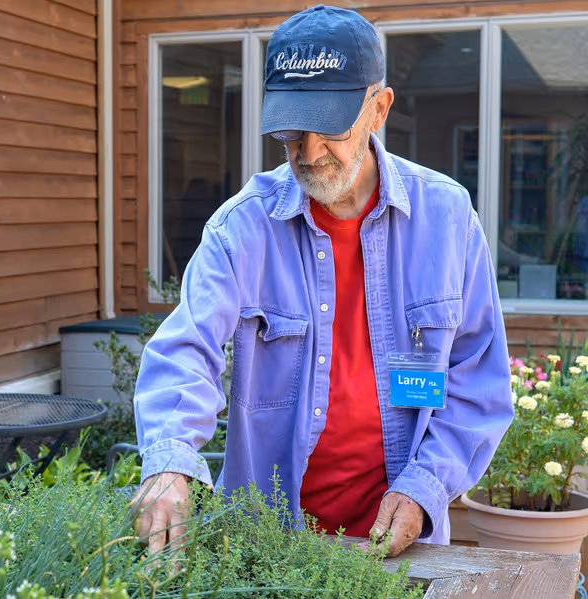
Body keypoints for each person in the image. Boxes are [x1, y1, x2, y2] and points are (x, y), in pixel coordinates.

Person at [131, 5, 514, 559]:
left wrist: (425, 485)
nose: (308, 153)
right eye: (291, 130)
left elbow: (478, 377)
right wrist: (169, 462)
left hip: (402, 547)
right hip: (269, 546)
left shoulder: (448, 217)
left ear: (378, 108)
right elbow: (185, 348)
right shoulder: (242, 227)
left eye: (328, 126)